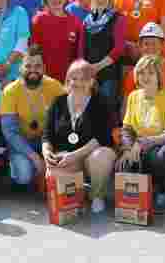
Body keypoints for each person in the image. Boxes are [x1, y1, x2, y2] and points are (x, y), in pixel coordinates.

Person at [117, 55, 165, 212]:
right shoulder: (134, 96)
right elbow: (127, 129)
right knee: (125, 161)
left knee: (163, 154)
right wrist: (129, 148)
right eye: (141, 73)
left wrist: (141, 143)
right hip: (141, 148)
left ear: (159, 75)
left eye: (150, 73)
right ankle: (136, 202)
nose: (145, 77)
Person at [42, 60, 116, 214]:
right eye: (74, 78)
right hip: (66, 155)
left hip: (91, 154)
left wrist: (74, 156)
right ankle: (79, 194)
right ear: (68, 80)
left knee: (101, 157)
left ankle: (97, 196)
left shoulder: (101, 102)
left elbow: (101, 137)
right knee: (53, 172)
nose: (78, 83)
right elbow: (47, 135)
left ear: (92, 81)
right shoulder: (58, 102)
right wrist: (47, 152)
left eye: (83, 79)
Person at [0, 46, 66, 189]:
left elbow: (65, 121)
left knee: (64, 165)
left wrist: (50, 150)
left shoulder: (55, 87)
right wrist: (34, 156)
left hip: (48, 142)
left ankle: (43, 175)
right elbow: (10, 132)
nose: (33, 70)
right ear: (20, 68)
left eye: (37, 66)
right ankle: (19, 168)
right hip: (22, 142)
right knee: (24, 175)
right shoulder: (10, 91)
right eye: (28, 66)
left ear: (44, 68)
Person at [82, 0, 125, 120]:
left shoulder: (118, 18)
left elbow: (118, 49)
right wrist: (87, 69)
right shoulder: (86, 20)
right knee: (88, 112)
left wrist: (97, 67)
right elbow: (81, 49)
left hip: (109, 74)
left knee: (107, 112)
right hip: (88, 73)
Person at [121, 23, 165, 111]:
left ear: (162, 45)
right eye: (146, 44)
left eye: (154, 44)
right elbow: (125, 108)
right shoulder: (133, 73)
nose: (150, 48)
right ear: (140, 47)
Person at [31, 0, 84, 84]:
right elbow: (34, 50)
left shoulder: (75, 22)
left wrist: (76, 72)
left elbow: (79, 52)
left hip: (68, 76)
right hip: (44, 76)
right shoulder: (39, 20)